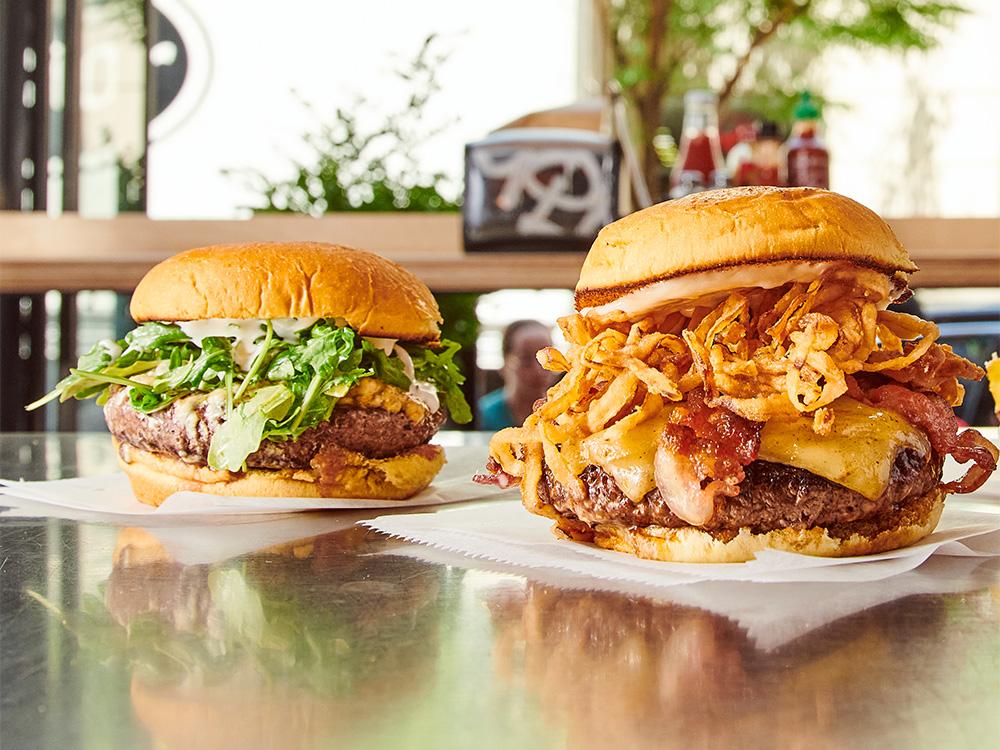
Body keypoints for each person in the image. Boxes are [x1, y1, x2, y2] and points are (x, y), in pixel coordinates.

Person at [478, 320, 555, 431]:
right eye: (526, 359)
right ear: (505, 362)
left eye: (547, 359)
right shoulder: (483, 415)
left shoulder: (568, 414)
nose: (538, 370)